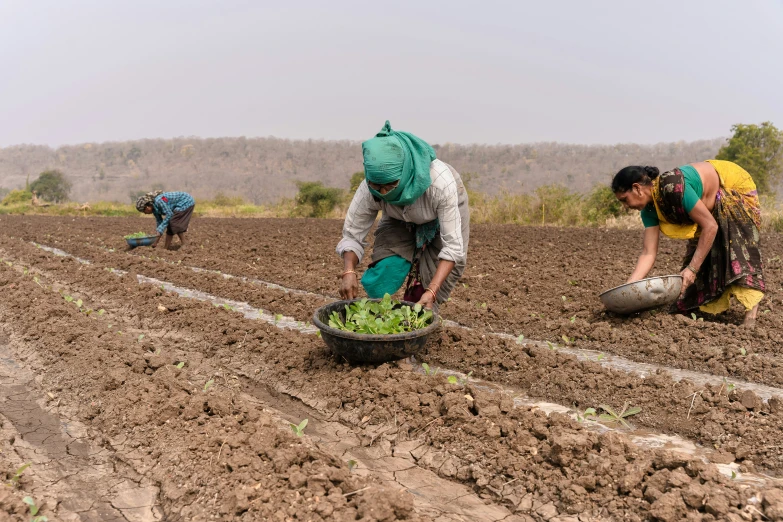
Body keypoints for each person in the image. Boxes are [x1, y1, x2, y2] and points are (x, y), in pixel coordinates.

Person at [612, 160, 764, 326]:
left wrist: (692, 269)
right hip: (709, 213)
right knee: (699, 259)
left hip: (731, 185)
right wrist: (629, 287)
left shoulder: (673, 188)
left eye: (625, 200)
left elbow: (710, 226)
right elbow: (648, 252)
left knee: (738, 251)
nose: (626, 206)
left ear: (637, 188)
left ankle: (751, 316)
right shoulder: (649, 210)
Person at [337, 121, 469, 310]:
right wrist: (348, 270)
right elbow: (352, 234)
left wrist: (431, 291)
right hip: (399, 218)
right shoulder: (370, 188)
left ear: (406, 173)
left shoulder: (440, 184)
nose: (383, 193)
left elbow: (453, 248)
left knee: (419, 299)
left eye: (390, 186)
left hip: (441, 218)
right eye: (377, 187)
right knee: (381, 277)